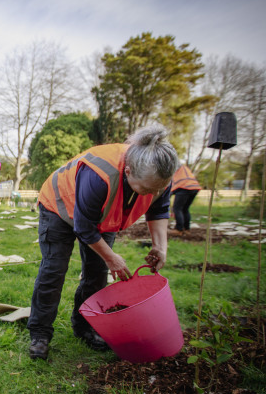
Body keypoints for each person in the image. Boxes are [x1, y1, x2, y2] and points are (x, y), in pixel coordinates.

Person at [26, 124, 178, 361]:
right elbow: (84, 228)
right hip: (59, 207)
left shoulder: (159, 176)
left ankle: (84, 326)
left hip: (103, 218)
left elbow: (159, 210)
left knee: (96, 274)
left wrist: (161, 246)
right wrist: (112, 257)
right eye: (146, 189)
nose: (152, 193)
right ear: (128, 172)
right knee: (54, 269)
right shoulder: (100, 173)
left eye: (157, 189)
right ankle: (40, 333)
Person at [170, 163, 202, 235]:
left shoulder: (172, 167)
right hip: (194, 187)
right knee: (185, 209)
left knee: (177, 209)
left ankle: (179, 229)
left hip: (183, 187)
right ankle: (186, 229)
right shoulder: (183, 167)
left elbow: (169, 184)